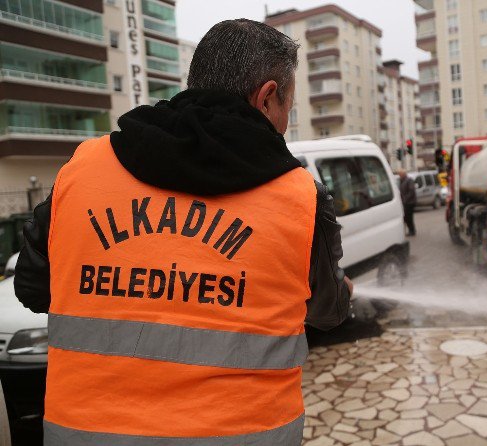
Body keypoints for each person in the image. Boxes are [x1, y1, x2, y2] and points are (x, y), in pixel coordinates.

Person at [14, 19, 352, 446]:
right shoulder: (301, 197)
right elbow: (328, 313)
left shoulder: (82, 171)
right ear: (267, 98)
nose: (286, 119)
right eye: (289, 106)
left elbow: (32, 288)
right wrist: (339, 290)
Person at [398, 169, 417, 236]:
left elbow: (411, 191)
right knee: (406, 217)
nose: (399, 175)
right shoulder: (401, 181)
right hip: (405, 202)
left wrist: (405, 199)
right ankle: (411, 230)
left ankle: (412, 231)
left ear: (404, 174)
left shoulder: (409, 180)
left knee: (408, 217)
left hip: (410, 202)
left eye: (400, 174)